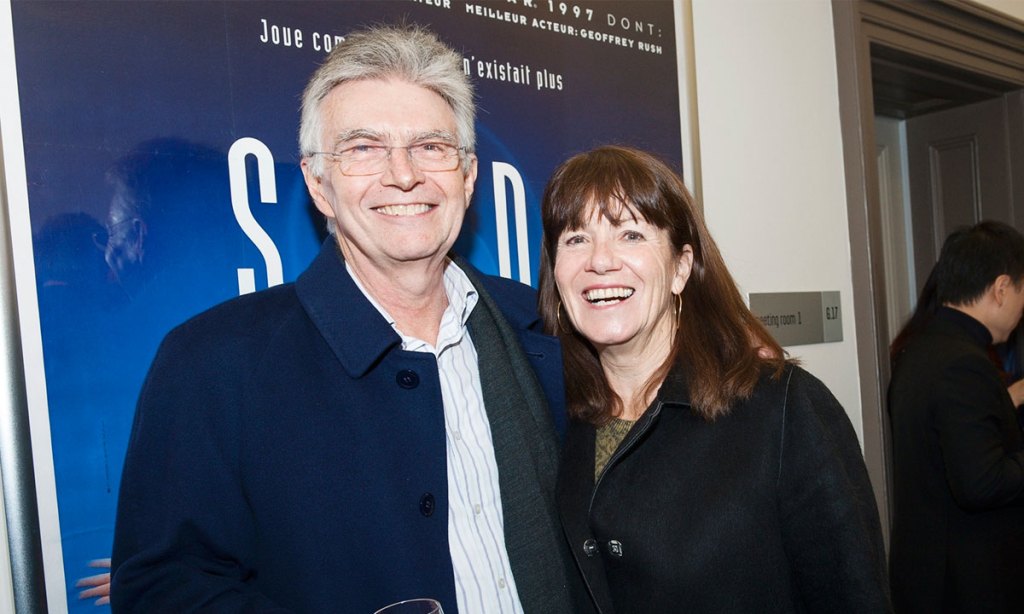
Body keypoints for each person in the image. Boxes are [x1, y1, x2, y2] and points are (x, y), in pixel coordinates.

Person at [111, 24, 579, 613]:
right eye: (363, 148)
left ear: (467, 174)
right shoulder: (213, 363)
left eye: (431, 146)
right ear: (318, 183)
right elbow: (164, 590)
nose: (403, 173)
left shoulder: (541, 329)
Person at [537, 145, 891, 613]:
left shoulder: (782, 410)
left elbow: (855, 597)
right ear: (556, 272)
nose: (600, 261)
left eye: (630, 235)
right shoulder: (551, 414)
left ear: (681, 267)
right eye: (576, 239)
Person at [888, 220, 1024, 613]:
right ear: (1001, 289)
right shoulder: (963, 363)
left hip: (928, 576)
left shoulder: (919, 351)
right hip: (968, 584)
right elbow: (981, 482)